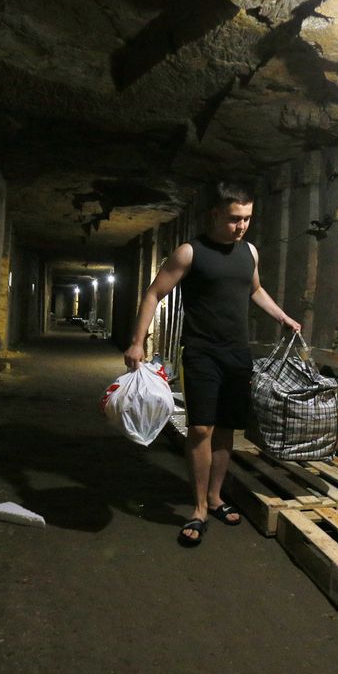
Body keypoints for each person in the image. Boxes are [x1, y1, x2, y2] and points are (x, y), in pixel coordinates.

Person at [124, 183, 300, 547]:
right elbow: (154, 293)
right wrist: (137, 341)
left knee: (226, 429)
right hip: (202, 352)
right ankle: (200, 508)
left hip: (237, 354)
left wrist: (281, 316)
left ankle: (217, 497)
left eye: (247, 218)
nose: (242, 226)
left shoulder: (249, 252)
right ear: (216, 214)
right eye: (235, 218)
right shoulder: (190, 252)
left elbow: (254, 289)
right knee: (201, 428)